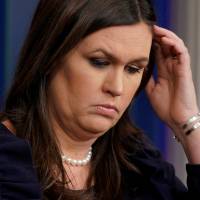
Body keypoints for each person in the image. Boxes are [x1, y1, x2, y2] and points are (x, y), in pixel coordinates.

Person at [0, 0, 200, 199]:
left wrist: (188, 122)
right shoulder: (7, 163)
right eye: (99, 62)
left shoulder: (138, 162)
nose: (117, 88)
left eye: (133, 69)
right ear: (50, 55)